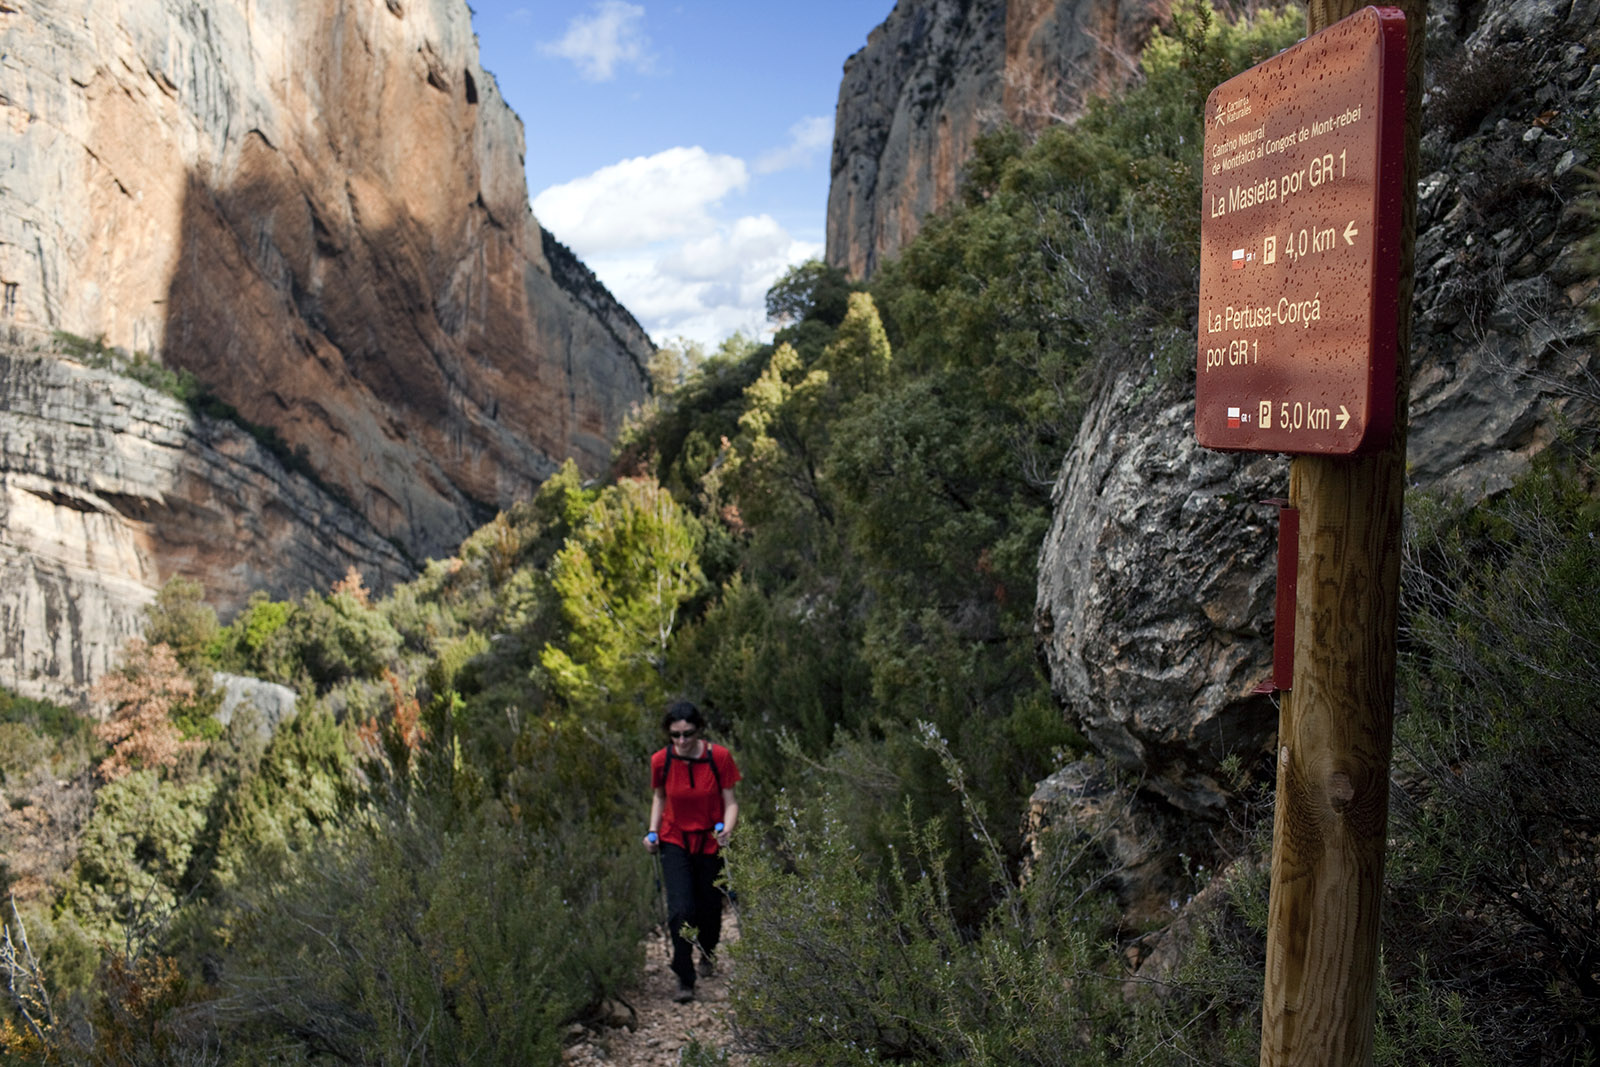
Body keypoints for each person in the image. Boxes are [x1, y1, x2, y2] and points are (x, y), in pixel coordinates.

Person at [643, 700, 740, 1003]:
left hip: (710, 840)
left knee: (710, 909)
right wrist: (652, 831)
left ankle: (708, 952)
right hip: (674, 840)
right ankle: (684, 978)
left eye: (687, 734)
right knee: (680, 910)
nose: (682, 741)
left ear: (698, 730)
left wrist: (728, 829)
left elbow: (731, 801)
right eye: (675, 735)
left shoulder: (719, 758)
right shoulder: (661, 761)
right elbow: (659, 797)